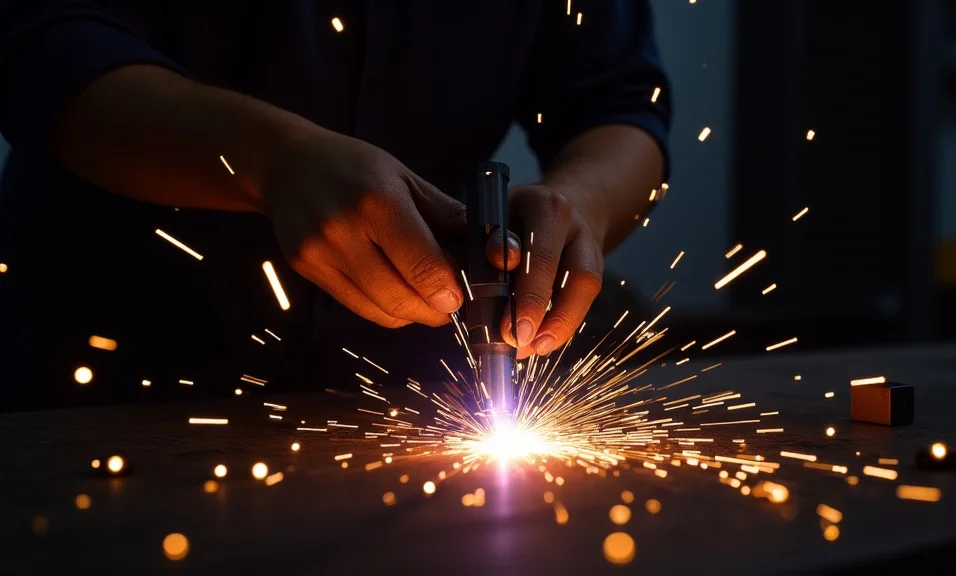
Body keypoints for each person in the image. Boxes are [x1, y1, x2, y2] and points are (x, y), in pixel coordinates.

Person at [0, 1, 671, 411]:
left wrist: (580, 202)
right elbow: (38, 47)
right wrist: (272, 160)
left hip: (408, 388)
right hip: (102, 382)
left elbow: (621, 104)